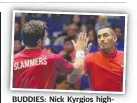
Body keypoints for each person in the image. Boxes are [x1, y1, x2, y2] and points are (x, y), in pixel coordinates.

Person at [13, 20, 89, 89]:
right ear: (39, 42)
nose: (45, 39)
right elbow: (78, 68)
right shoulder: (52, 58)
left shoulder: (12, 60)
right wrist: (80, 50)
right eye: (45, 37)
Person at [67, 25, 124, 92]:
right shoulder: (90, 58)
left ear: (114, 39)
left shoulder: (125, 57)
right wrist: (79, 56)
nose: (102, 39)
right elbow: (71, 80)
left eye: (105, 35)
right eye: (99, 37)